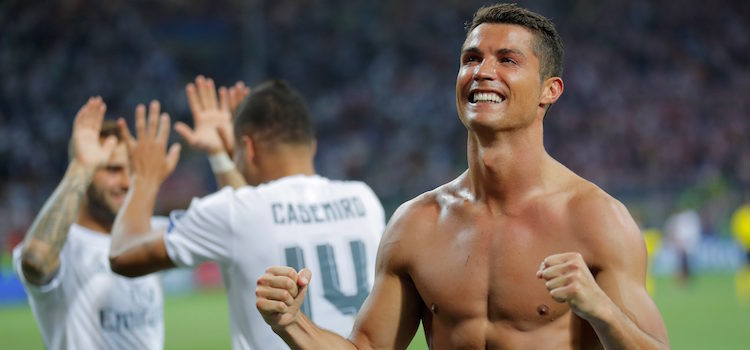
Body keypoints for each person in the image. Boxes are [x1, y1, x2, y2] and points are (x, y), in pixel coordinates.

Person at [256, 4, 670, 349]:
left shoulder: (597, 220)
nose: (482, 71)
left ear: (550, 90)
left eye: (507, 60)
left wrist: (600, 309)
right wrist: (292, 322)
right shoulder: (415, 224)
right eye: (472, 59)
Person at [107, 80, 386, 349]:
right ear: (311, 144)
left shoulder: (235, 212)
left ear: (249, 148)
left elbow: (122, 256)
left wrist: (144, 178)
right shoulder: (365, 199)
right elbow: (253, 213)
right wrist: (221, 154)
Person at [12, 97, 166, 349]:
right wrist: (81, 166)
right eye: (113, 170)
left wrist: (220, 158)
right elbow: (36, 261)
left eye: (132, 170)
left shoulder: (150, 232)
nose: (127, 181)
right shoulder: (65, 247)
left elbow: (236, 228)